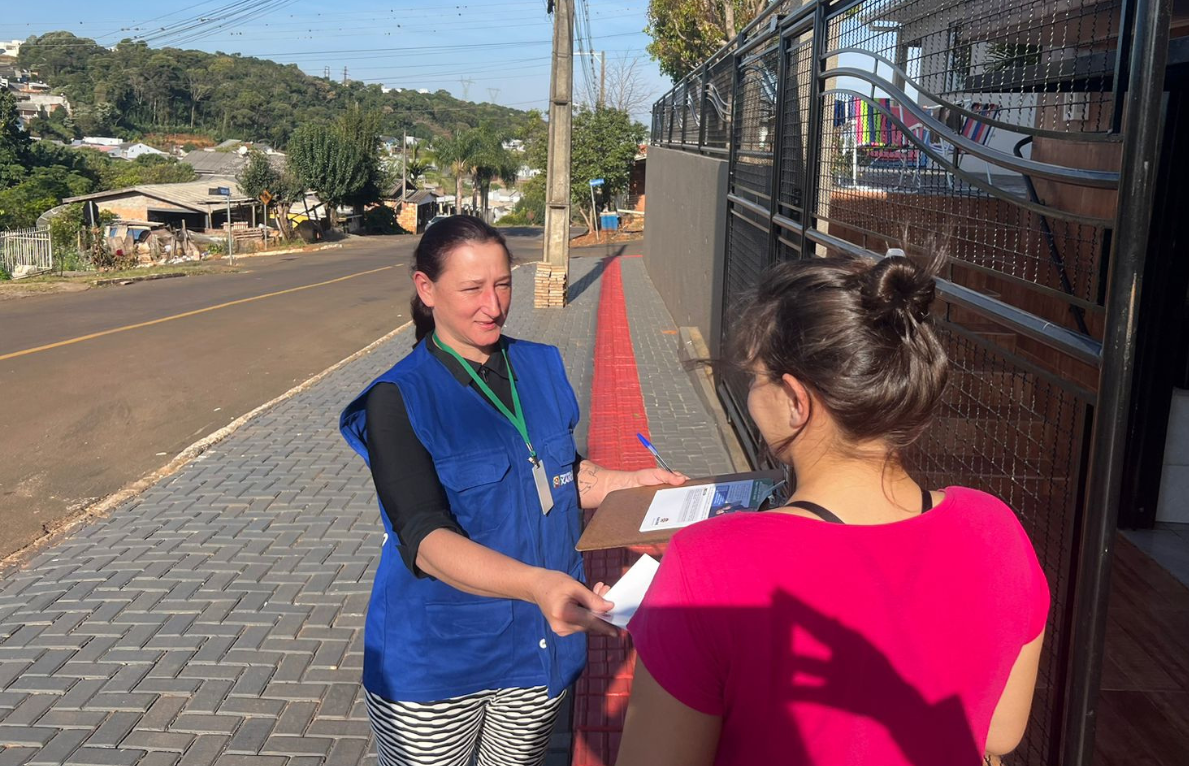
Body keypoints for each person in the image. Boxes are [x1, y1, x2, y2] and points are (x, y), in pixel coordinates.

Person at [616, 251, 1049, 766]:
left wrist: (683, 604)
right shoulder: (994, 526)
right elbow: (999, 735)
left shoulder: (706, 563)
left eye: (756, 378)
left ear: (797, 401)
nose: (752, 395)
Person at [339, 216, 685, 766]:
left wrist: (629, 483)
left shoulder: (540, 365)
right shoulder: (397, 399)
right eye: (471, 289)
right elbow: (423, 537)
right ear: (426, 289)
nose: (493, 306)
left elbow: (560, 473)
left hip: (539, 647)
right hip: (440, 660)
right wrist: (538, 584)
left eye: (502, 284)